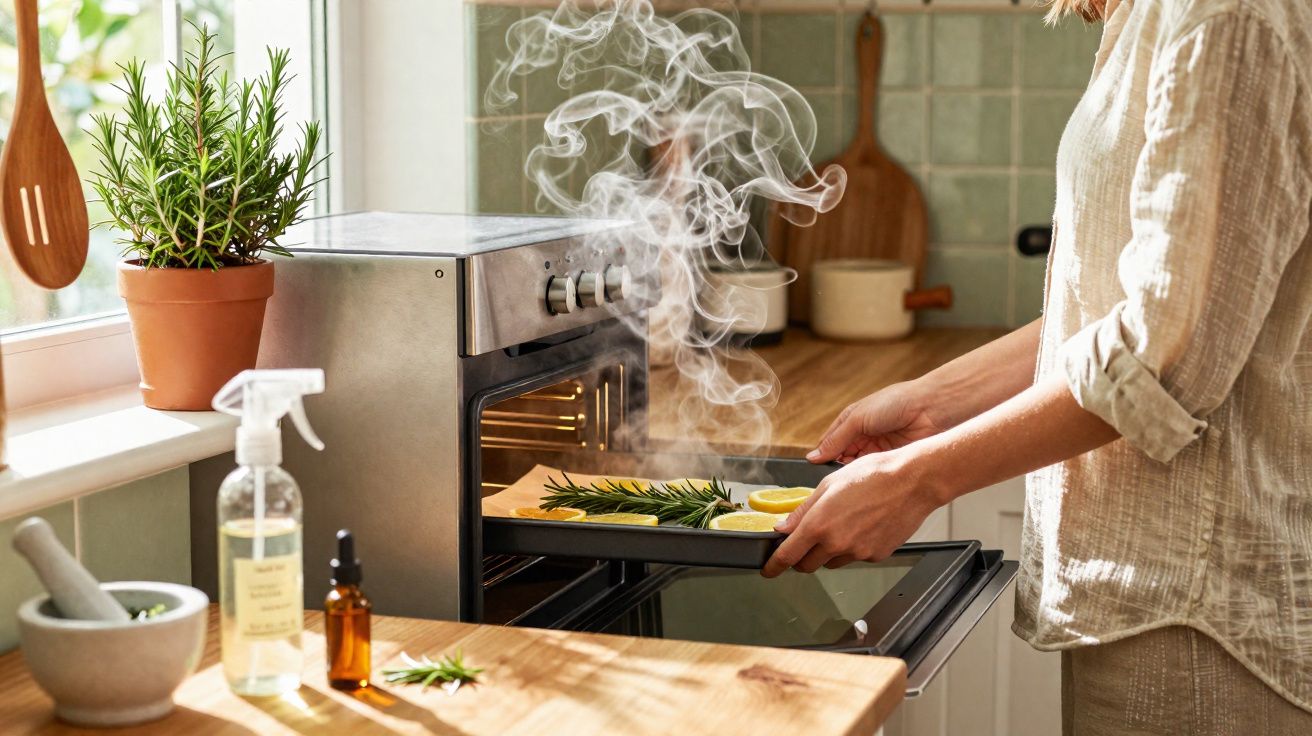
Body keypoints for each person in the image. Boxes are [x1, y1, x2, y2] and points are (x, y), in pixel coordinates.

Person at [762, 0, 1312, 732]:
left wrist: (918, 478)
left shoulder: (1224, 12)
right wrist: (936, 401)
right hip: (1150, 595)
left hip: (1196, 621)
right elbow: (1137, 305)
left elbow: (1160, 359)